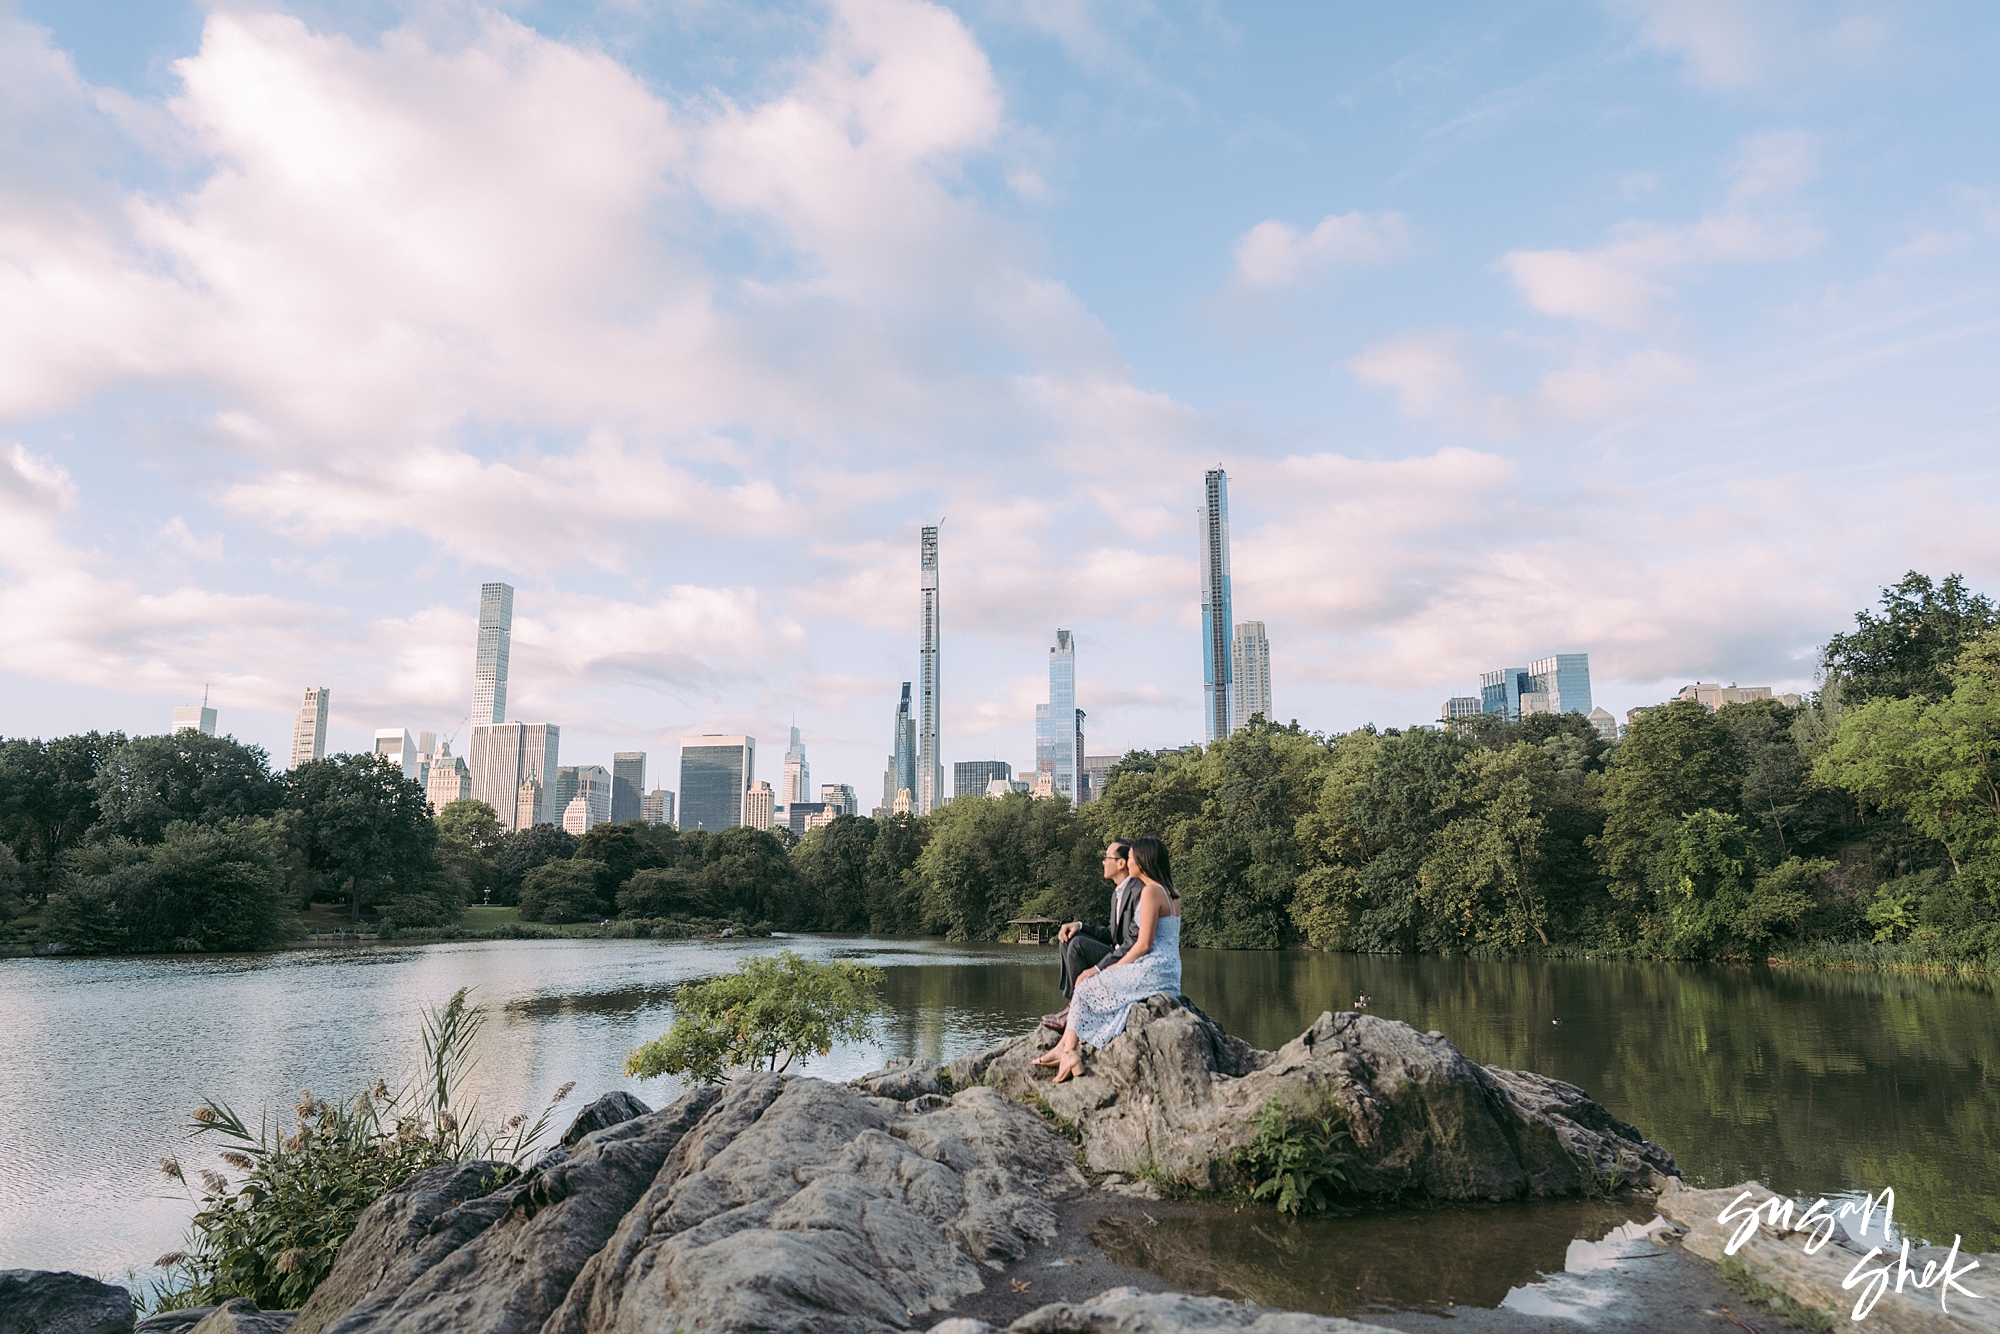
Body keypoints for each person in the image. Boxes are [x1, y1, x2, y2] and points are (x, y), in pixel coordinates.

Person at [1033, 835, 1182, 1084]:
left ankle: (1067, 1051)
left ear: (1142, 862)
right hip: (1169, 970)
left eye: (1131, 858)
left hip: (1153, 968)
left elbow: (1143, 945)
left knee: (1084, 985)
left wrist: (1103, 971)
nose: (1128, 862)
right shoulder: (1171, 893)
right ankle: (1066, 1050)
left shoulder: (1150, 892)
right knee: (1085, 984)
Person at [1044, 840, 1139, 1031]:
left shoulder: (1137, 891)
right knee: (1069, 938)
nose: (1103, 862)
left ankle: (1075, 1010)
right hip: (1116, 953)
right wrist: (1079, 925)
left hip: (1128, 962)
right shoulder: (1117, 894)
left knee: (1078, 944)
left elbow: (1134, 942)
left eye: (1107, 858)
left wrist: (1097, 968)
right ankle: (1073, 1002)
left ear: (1121, 863)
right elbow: (1112, 935)